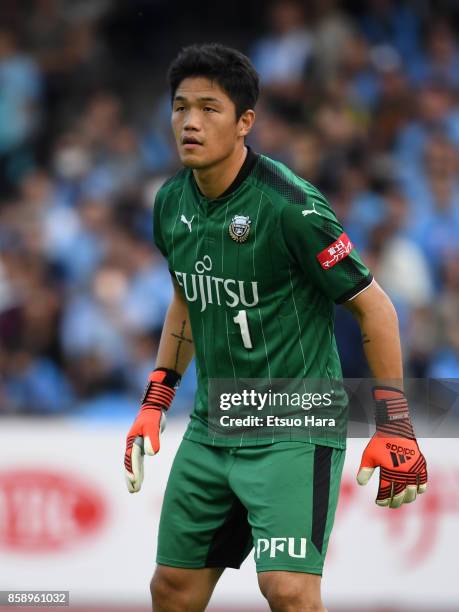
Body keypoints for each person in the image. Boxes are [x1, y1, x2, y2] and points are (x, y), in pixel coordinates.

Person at [123, 44, 428, 612]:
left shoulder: (293, 207)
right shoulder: (169, 204)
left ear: (245, 122)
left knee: (287, 590)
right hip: (214, 424)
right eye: (180, 107)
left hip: (295, 422)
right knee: (171, 589)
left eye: (209, 109)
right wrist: (156, 397)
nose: (190, 122)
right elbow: (187, 301)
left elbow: (376, 307)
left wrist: (396, 425)